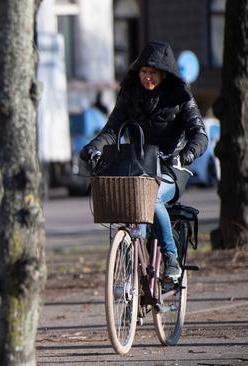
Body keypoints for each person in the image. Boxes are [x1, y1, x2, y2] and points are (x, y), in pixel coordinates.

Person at [80, 41, 208, 279]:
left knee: (152, 198)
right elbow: (111, 130)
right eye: (143, 72)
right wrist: (92, 148)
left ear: (164, 74)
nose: (147, 77)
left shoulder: (180, 96)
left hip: (171, 168)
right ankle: (130, 264)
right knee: (128, 204)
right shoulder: (130, 94)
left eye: (153, 73)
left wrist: (187, 154)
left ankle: (170, 258)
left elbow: (199, 135)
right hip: (138, 165)